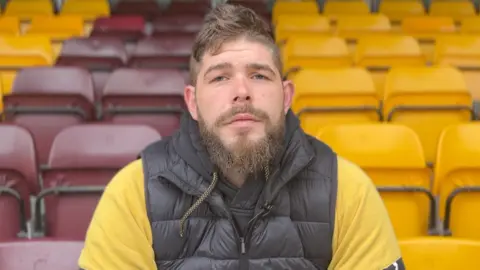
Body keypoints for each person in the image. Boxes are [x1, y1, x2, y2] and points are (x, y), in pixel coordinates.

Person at [78, 4, 405, 270]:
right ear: (192, 102)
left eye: (259, 75)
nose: (242, 93)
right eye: (220, 77)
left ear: (286, 96)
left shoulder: (347, 190)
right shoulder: (133, 193)